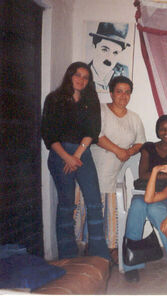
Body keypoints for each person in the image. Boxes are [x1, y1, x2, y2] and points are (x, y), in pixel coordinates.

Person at [41, 61, 110, 260]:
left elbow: (93, 131)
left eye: (85, 77)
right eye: (77, 75)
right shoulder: (54, 99)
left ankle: (99, 252)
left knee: (95, 202)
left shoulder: (91, 100)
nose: (81, 79)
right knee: (66, 205)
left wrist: (77, 155)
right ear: (70, 75)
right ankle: (67, 255)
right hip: (59, 154)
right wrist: (67, 157)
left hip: (83, 154)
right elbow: (48, 134)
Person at [122, 114, 167, 282]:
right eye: (162, 128)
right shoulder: (148, 147)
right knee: (137, 206)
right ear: (158, 130)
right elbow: (142, 175)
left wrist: (158, 173)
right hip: (146, 192)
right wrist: (166, 172)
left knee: (155, 208)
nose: (166, 132)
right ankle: (132, 263)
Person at [89, 76, 145, 261]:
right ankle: (97, 247)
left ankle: (109, 247)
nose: (123, 96)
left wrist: (128, 151)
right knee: (95, 202)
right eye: (119, 91)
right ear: (111, 93)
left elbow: (140, 142)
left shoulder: (134, 117)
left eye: (127, 92)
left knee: (108, 202)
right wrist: (119, 150)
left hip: (115, 167)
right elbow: (96, 135)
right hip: (97, 162)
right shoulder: (101, 110)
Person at [88, 22, 130, 92]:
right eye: (104, 50)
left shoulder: (124, 72)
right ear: (94, 45)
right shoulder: (83, 75)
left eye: (115, 52)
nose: (109, 57)